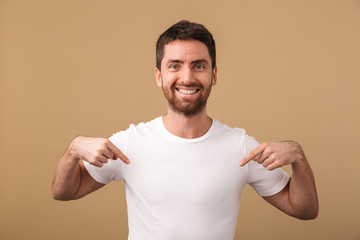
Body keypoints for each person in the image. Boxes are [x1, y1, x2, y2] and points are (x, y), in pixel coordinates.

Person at [52, 20, 318, 239]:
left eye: (198, 66)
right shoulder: (130, 143)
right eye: (175, 66)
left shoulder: (240, 147)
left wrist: (298, 156)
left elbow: (304, 209)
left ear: (213, 75)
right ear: (159, 76)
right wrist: (74, 149)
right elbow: (64, 192)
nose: (187, 77)